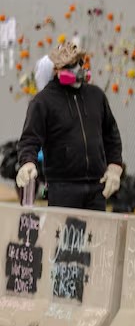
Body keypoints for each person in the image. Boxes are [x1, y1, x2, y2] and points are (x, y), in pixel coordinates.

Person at [16, 43, 124, 210]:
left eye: (79, 63)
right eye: (70, 65)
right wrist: (28, 162)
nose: (77, 69)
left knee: (96, 227)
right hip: (62, 188)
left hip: (97, 187)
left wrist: (115, 167)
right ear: (56, 70)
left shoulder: (96, 96)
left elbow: (111, 134)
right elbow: (29, 139)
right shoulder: (43, 101)